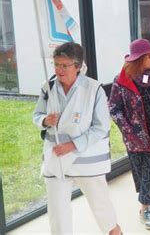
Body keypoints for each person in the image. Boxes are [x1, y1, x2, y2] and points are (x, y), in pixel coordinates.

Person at [33, 42, 121, 235]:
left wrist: (72, 145)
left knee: (100, 205)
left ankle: (115, 232)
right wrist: (45, 121)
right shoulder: (47, 87)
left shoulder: (94, 89)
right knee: (57, 213)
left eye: (65, 66)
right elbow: (36, 115)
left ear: (78, 66)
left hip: (86, 158)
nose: (59, 70)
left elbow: (101, 127)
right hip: (56, 159)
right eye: (56, 64)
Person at [109, 38, 150, 230]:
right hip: (134, 136)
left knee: (148, 171)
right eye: (149, 56)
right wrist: (127, 128)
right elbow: (114, 108)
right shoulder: (122, 80)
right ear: (138, 59)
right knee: (139, 172)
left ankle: (144, 209)